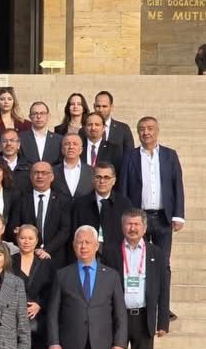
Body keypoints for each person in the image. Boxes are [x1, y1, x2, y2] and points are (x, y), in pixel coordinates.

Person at [107, 210, 170, 349]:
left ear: (144, 228)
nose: (132, 228)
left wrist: (162, 319)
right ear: (122, 227)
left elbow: (163, 288)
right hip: (118, 318)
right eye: (128, 224)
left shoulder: (157, 253)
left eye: (136, 224)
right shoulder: (111, 251)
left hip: (143, 317)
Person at [119, 116, 185, 286]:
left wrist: (178, 215)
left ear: (157, 131)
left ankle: (163, 305)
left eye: (149, 128)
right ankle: (142, 302)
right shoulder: (129, 156)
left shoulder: (169, 155)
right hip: (138, 218)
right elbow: (124, 187)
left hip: (163, 218)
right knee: (137, 262)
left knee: (163, 263)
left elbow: (177, 185)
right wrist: (125, 215)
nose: (145, 132)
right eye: (142, 129)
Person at [11, 225, 54, 349]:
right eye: (22, 238)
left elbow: (54, 290)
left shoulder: (46, 263)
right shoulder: (10, 262)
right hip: (14, 326)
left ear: (37, 240)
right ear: (17, 240)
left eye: (30, 238)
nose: (26, 241)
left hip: (39, 327)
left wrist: (40, 304)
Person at [72, 162, 133, 265]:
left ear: (113, 181)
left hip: (116, 258)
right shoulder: (80, 203)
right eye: (98, 177)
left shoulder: (124, 204)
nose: (102, 181)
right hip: (87, 257)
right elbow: (74, 232)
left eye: (106, 177)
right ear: (93, 179)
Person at [12, 161, 72, 265]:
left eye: (44, 173)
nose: (39, 176)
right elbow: (14, 227)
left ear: (52, 177)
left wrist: (47, 250)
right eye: (36, 173)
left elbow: (65, 230)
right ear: (31, 176)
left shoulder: (63, 201)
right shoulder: (21, 200)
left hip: (55, 257)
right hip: (27, 257)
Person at [52, 133, 94, 200]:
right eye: (67, 144)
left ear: (81, 150)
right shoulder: (52, 171)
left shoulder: (92, 172)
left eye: (75, 144)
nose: (71, 147)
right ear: (62, 149)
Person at [93, 91, 135, 157]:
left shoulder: (123, 129)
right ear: (94, 106)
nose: (100, 110)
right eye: (98, 106)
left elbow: (130, 155)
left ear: (111, 107)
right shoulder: (84, 130)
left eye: (104, 106)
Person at [20, 101, 62, 166]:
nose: (39, 116)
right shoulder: (21, 138)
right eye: (35, 113)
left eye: (42, 113)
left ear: (48, 116)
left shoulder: (59, 139)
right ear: (30, 117)